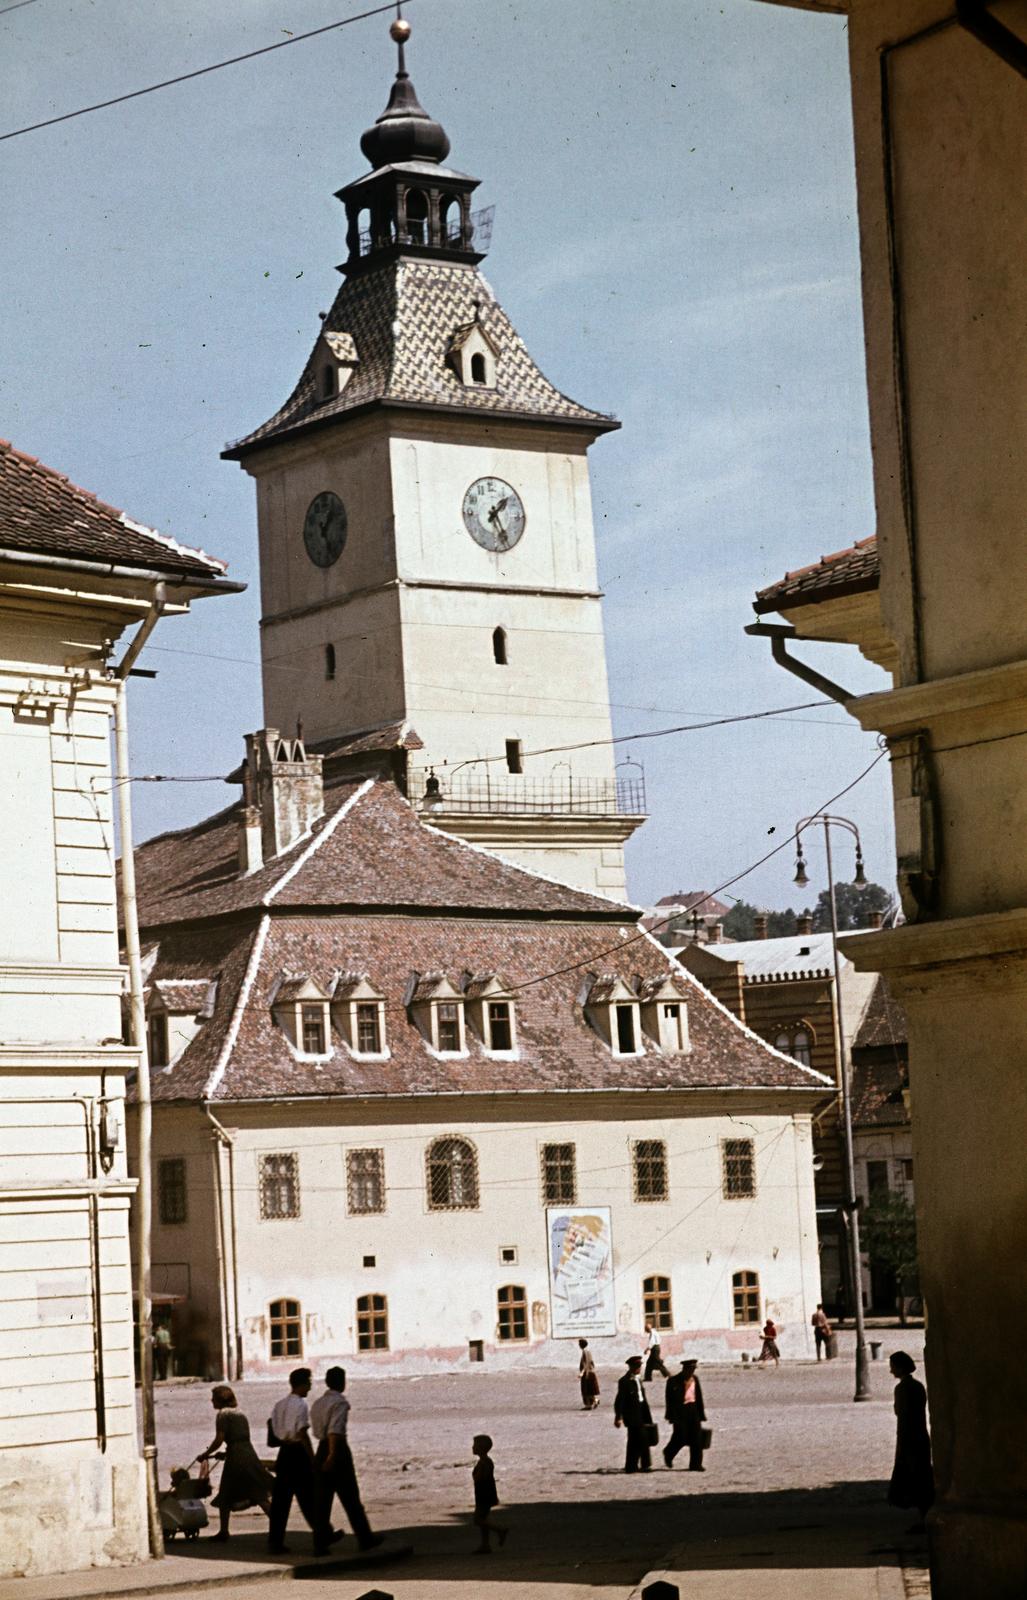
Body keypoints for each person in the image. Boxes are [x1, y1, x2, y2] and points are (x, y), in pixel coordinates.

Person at [310, 1366, 383, 1552]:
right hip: (337, 1450)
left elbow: (319, 1431)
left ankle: (319, 1543)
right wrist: (333, 1456)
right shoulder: (339, 1403)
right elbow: (335, 1431)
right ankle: (365, 1538)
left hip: (321, 1447)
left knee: (322, 1501)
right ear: (342, 1382)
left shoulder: (318, 1403)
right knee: (351, 1498)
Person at [267, 1367, 336, 1557]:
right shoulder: (301, 1405)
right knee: (309, 1498)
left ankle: (275, 1542)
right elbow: (302, 1433)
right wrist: (312, 1457)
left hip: (284, 1453)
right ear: (303, 1384)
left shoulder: (279, 1404)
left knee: (280, 1502)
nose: (310, 1387)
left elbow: (274, 1430)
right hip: (297, 1453)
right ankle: (323, 1537)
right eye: (309, 1383)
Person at [199, 1385, 273, 1542]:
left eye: (213, 1398)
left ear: (220, 1400)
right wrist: (226, 1453)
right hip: (248, 1453)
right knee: (258, 1492)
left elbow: (219, 1439)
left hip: (236, 1459)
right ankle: (277, 1525)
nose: (211, 1400)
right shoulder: (240, 1414)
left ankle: (224, 1531)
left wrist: (206, 1454)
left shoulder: (223, 1415)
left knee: (227, 1492)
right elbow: (240, 1439)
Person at [887, 1351, 934, 1529]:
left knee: (915, 1477)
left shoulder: (902, 1389)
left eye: (892, 1367)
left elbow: (902, 1415)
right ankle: (925, 1515)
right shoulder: (918, 1386)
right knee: (922, 1476)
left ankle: (925, 1517)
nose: (891, 1371)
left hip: (909, 1438)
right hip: (920, 1435)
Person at [663, 1358, 707, 1471]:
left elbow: (699, 1398)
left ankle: (696, 1464)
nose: (692, 1372)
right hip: (680, 1412)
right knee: (680, 1437)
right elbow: (669, 1401)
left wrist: (701, 1414)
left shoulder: (695, 1379)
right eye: (691, 1369)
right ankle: (668, 1453)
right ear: (685, 1369)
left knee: (697, 1439)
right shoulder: (673, 1381)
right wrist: (671, 1416)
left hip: (693, 1410)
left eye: (693, 1369)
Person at [614, 1354, 655, 1472]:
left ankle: (643, 1464)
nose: (639, 1368)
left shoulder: (638, 1379)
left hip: (642, 1412)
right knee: (635, 1440)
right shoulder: (624, 1381)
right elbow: (619, 1400)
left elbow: (642, 1397)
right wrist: (618, 1417)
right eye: (637, 1366)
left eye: (640, 1366)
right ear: (631, 1367)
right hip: (632, 1415)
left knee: (643, 1438)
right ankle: (632, 1466)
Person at [471, 1433, 508, 1554]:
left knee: (478, 1519)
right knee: (483, 1519)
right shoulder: (484, 1461)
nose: (472, 1447)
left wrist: (477, 1476)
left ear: (481, 1448)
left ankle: (499, 1531)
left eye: (475, 1445)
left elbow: (483, 1478)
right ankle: (485, 1545)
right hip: (484, 1494)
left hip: (484, 1495)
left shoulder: (485, 1462)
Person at [578, 1339, 600, 1409]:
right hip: (591, 1372)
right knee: (590, 1390)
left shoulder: (584, 1352)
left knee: (586, 1390)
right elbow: (591, 1362)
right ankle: (595, 1401)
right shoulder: (588, 1351)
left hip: (587, 1374)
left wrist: (582, 1372)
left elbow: (585, 1363)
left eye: (579, 1344)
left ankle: (588, 1405)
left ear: (581, 1345)